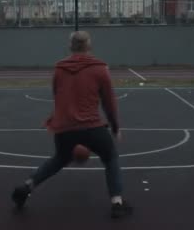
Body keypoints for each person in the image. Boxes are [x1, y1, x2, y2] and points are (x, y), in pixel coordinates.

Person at [11, 31, 132, 219]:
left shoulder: (59, 69)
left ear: (70, 46)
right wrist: (115, 128)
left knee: (59, 159)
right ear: (89, 46)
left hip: (65, 128)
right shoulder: (100, 69)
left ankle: (27, 186)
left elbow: (57, 96)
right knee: (110, 158)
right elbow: (109, 103)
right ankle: (117, 202)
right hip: (92, 127)